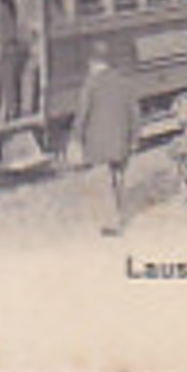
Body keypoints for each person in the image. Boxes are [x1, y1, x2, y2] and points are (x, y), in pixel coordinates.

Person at [73, 41, 139, 236]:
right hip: (121, 143)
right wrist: (135, 138)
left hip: (100, 144)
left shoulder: (91, 84)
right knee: (117, 178)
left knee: (104, 182)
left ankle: (113, 223)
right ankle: (120, 216)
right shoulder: (123, 81)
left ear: (93, 63)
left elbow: (82, 114)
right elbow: (134, 112)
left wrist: (76, 138)